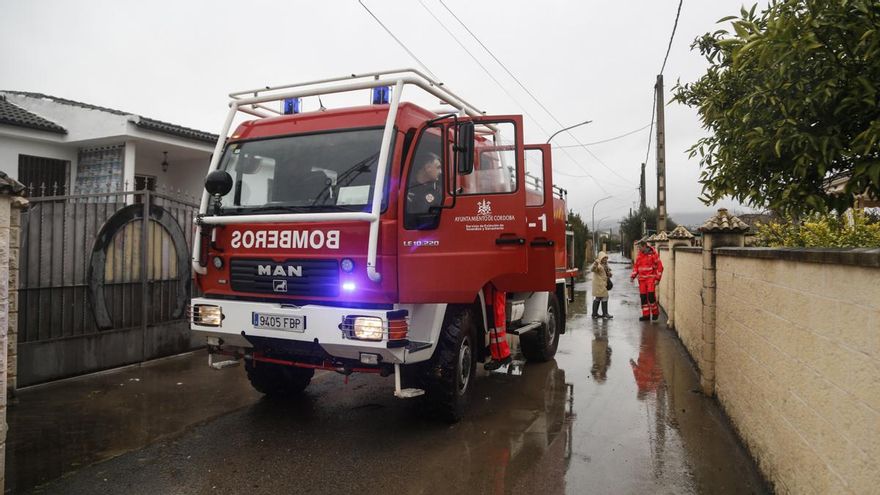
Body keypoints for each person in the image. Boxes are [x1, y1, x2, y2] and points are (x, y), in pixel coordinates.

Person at [631, 241, 664, 321]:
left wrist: (657, 278)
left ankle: (655, 313)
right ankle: (646, 315)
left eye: (640, 247)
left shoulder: (653, 254)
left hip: (650, 279)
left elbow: (660, 267)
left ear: (644, 246)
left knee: (651, 297)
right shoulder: (639, 255)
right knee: (643, 298)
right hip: (642, 280)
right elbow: (636, 266)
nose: (638, 249)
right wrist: (633, 276)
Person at [406, 152, 443, 216]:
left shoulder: (438, 191)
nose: (440, 172)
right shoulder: (407, 191)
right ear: (428, 168)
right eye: (438, 167)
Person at [590, 251, 613, 319]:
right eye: (604, 258)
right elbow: (593, 269)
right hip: (599, 284)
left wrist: (609, 274)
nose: (605, 259)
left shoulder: (606, 265)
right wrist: (595, 263)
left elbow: (606, 273)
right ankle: (605, 314)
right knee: (604, 297)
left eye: (606, 258)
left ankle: (595, 314)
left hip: (602, 284)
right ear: (601, 258)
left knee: (599, 297)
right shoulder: (598, 265)